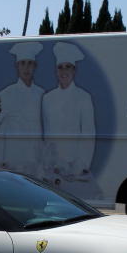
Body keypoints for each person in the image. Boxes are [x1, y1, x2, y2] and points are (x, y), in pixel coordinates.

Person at [42, 42, 96, 183]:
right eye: (60, 67)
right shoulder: (47, 98)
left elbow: (88, 134)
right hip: (53, 169)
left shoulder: (84, 97)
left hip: (75, 170)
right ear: (56, 70)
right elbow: (47, 135)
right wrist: (50, 164)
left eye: (68, 67)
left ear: (74, 70)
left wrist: (79, 166)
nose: (64, 71)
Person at [0, 42, 44, 175]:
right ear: (17, 66)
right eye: (23, 63)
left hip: (35, 160)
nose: (26, 68)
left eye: (30, 63)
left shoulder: (42, 94)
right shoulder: (5, 94)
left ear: (35, 66)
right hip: (13, 160)